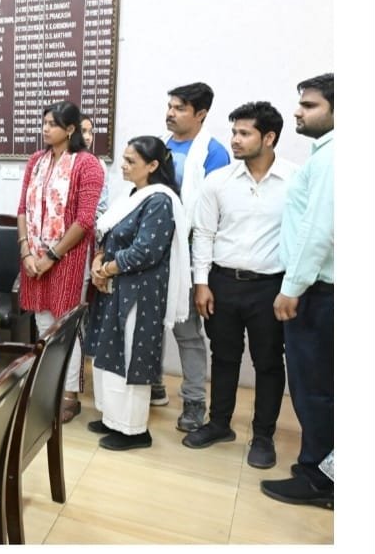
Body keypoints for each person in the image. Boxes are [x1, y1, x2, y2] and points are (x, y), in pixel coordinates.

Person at [185, 102, 297, 469]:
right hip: (223, 283)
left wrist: (292, 288)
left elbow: (303, 236)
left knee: (268, 362)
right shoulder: (218, 181)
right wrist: (201, 283)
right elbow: (204, 234)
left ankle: (263, 436)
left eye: (244, 133)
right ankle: (219, 424)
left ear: (269, 137)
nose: (235, 139)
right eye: (234, 131)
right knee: (224, 356)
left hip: (270, 287)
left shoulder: (295, 180)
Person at [85, 136, 190, 450]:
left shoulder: (160, 200)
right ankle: (111, 418)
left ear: (153, 165)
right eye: (124, 158)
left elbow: (146, 251)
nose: (123, 165)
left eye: (131, 161)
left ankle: (133, 430)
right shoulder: (131, 195)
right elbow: (108, 235)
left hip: (138, 293)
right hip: (114, 288)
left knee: (130, 357)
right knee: (108, 354)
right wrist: (98, 261)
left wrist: (106, 269)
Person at [260, 73, 334, 510]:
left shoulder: (331, 158)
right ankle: (322, 469)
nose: (298, 112)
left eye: (310, 105)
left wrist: (291, 288)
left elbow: (317, 230)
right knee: (321, 387)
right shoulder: (327, 154)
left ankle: (319, 478)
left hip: (318, 290)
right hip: (319, 286)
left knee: (315, 389)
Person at [17, 101, 104, 423]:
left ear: (70, 129)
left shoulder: (87, 164)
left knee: (65, 327)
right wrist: (26, 251)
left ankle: (68, 394)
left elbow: (85, 220)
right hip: (33, 256)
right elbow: (22, 209)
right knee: (43, 324)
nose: (45, 128)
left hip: (69, 258)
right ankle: (47, 388)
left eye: (52, 124)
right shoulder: (36, 161)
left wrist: (52, 256)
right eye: (44, 122)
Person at [155, 81, 231, 429]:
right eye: (170, 106)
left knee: (187, 333)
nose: (170, 113)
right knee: (150, 325)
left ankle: (194, 401)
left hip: (188, 255)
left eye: (179, 108)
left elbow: (213, 214)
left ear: (201, 114)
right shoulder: (160, 145)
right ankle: (153, 386)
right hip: (155, 252)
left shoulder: (214, 154)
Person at [81, 114, 110, 218]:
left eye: (90, 132)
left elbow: (101, 208)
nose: (88, 138)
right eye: (82, 132)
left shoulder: (99, 164)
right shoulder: (59, 162)